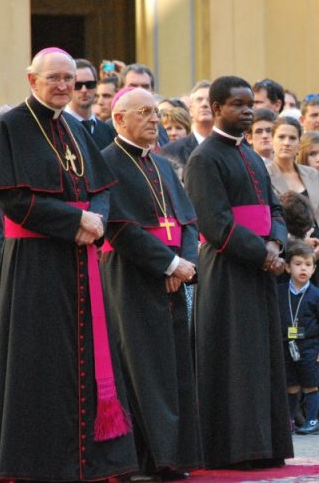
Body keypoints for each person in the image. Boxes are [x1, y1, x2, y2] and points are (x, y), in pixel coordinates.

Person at [0, 47, 136, 480]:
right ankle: (41, 463)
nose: (65, 86)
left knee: (84, 357)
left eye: (71, 78)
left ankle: (89, 461)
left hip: (80, 260)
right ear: (32, 80)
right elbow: (13, 201)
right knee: (42, 362)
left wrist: (97, 218)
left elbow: (101, 185)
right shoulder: (10, 127)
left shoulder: (76, 127)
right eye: (55, 78)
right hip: (35, 267)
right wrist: (75, 220)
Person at [184, 75, 293, 467]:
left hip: (261, 266)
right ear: (216, 109)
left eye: (250, 104)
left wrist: (277, 244)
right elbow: (214, 224)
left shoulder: (252, 156)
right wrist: (263, 253)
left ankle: (266, 445)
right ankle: (233, 450)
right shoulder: (204, 158)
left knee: (261, 358)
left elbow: (275, 210)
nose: (248, 111)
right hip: (228, 270)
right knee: (235, 360)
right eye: (238, 104)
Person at [98, 87, 201, 479]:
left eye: (155, 113)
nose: (154, 120)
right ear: (120, 119)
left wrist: (184, 264)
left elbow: (187, 221)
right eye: (144, 113)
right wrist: (169, 264)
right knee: (142, 368)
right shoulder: (107, 163)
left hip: (171, 277)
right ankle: (148, 458)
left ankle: (174, 455)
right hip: (131, 277)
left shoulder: (161, 163)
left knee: (173, 366)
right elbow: (120, 229)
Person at [267, 116, 319, 288]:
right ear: (272, 140)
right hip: (285, 264)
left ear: (299, 143)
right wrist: (298, 245)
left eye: (292, 138)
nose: (287, 142)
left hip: (315, 263)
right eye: (281, 137)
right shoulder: (263, 175)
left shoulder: (312, 174)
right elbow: (267, 223)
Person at [279, 241, 319, 435]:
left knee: (310, 384)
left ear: (314, 268)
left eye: (308, 264)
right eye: (298, 263)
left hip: (310, 346)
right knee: (291, 385)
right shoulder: (280, 292)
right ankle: (290, 420)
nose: (303, 268)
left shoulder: (317, 295)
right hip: (287, 345)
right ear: (287, 267)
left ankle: (311, 420)